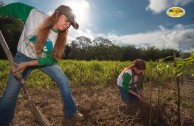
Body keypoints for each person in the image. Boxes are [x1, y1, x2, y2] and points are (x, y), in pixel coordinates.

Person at [0, 2, 84, 125]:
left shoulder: (59, 38)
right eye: (66, 21)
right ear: (57, 14)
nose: (67, 26)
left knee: (64, 81)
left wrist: (28, 64)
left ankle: (70, 113)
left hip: (42, 61)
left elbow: (51, 60)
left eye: (70, 24)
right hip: (23, 57)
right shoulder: (35, 16)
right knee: (10, 95)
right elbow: (15, 8)